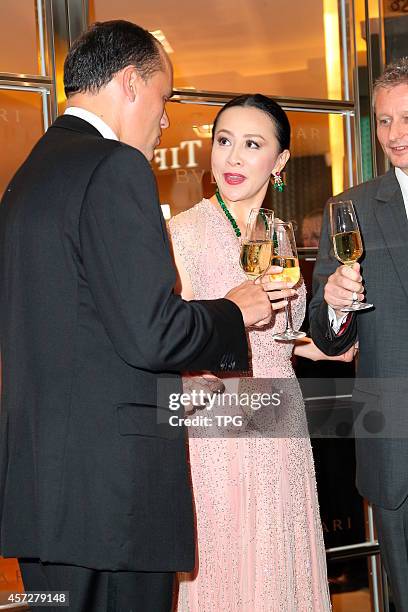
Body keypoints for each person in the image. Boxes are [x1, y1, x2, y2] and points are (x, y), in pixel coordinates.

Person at [0, 22, 276, 612]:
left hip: (48, 498)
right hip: (115, 502)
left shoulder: (27, 179)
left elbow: (82, 337)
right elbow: (152, 331)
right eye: (165, 98)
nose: (166, 118)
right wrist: (234, 312)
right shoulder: (114, 167)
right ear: (131, 83)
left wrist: (169, 388)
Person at [169, 94, 355, 611]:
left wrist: (317, 348)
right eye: (224, 141)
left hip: (279, 418)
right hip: (216, 421)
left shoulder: (279, 233)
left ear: (279, 162)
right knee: (225, 560)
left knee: (280, 554)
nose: (232, 158)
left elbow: (279, 330)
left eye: (252, 145)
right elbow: (166, 335)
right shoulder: (182, 235)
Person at [309, 57, 408, 612]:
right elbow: (325, 337)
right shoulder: (349, 208)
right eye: (384, 121)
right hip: (396, 441)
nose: (395, 135)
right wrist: (335, 303)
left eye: (406, 118)